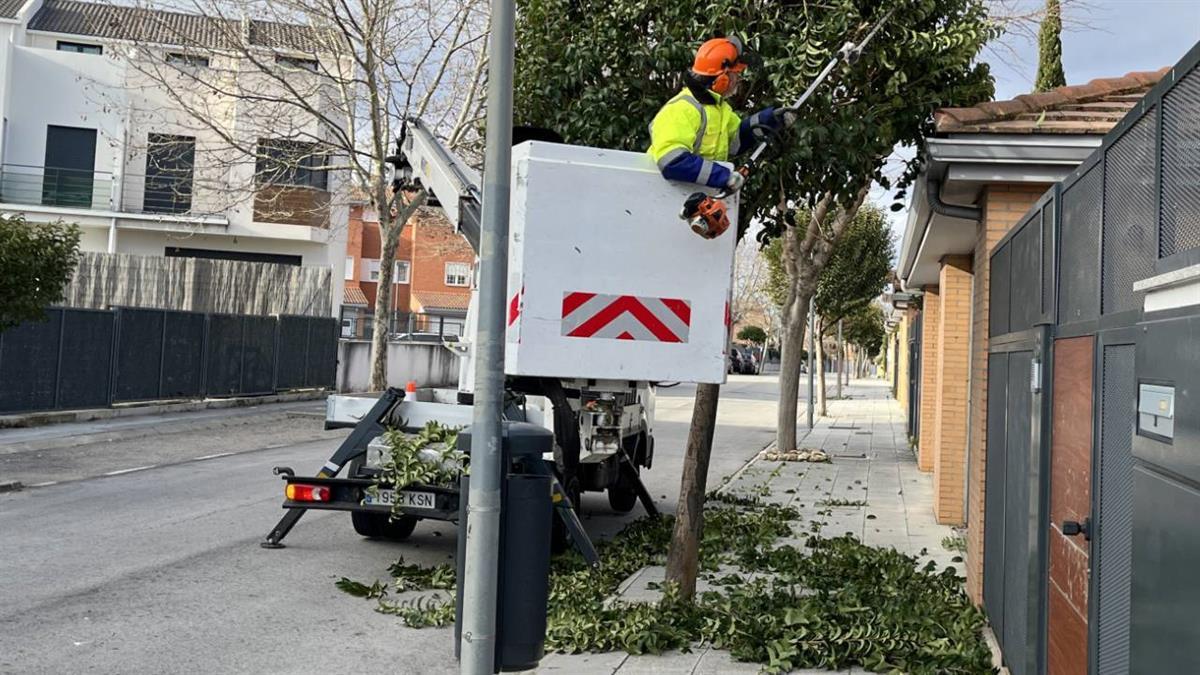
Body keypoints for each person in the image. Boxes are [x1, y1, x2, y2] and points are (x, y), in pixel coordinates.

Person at [647, 36, 795, 192]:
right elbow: (672, 161)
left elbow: (737, 140)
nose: (738, 79)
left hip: (691, 198)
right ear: (722, 78)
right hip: (662, 197)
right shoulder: (681, 109)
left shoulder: (718, 109)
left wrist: (771, 119)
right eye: (735, 74)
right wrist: (723, 177)